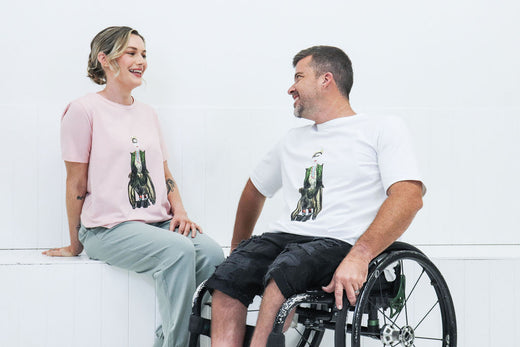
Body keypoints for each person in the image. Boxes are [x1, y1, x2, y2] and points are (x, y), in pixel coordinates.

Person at [206, 46, 425, 346]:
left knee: (283, 275)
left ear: (326, 79)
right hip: (286, 237)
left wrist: (360, 256)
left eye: (298, 77)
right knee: (229, 277)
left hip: (339, 241)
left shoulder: (381, 128)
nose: (290, 88)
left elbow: (408, 197)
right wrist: (238, 248)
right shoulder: (292, 140)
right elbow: (253, 190)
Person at [43, 26, 224, 347]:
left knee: (210, 253)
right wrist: (76, 243)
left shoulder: (147, 113)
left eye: (143, 54)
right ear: (105, 59)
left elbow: (164, 171)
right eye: (131, 52)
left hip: (157, 222)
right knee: (179, 251)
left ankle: (167, 338)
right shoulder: (82, 110)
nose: (141, 60)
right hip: (106, 229)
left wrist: (180, 211)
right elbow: (76, 183)